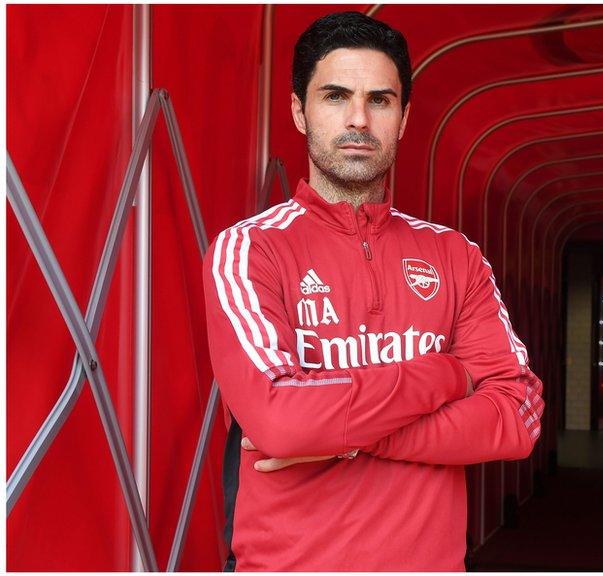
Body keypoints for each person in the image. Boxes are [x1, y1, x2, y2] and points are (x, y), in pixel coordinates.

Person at [203, 11, 544, 571]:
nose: (358, 119)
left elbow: (516, 418)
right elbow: (280, 422)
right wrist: (448, 375)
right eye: (335, 96)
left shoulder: (453, 255)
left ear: (404, 117)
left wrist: (344, 434)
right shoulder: (250, 250)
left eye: (380, 100)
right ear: (298, 111)